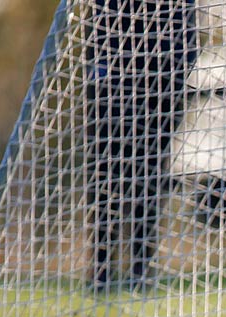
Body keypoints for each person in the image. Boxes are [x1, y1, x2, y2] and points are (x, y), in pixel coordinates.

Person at [87, 0, 198, 289]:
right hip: (112, 87)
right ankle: (102, 267)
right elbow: (96, 28)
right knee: (106, 177)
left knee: (148, 179)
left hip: (160, 89)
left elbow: (188, 34)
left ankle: (140, 268)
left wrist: (176, 77)